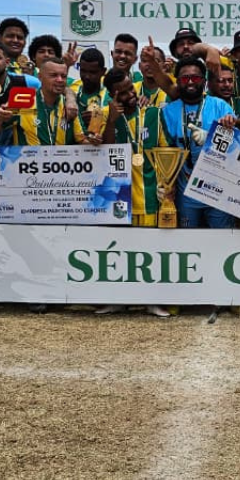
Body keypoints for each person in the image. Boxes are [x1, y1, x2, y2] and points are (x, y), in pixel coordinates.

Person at [97, 67, 170, 316]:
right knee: (119, 250)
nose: (130, 93)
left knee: (149, 251)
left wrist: (164, 187)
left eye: (130, 88)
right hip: (116, 196)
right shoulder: (104, 115)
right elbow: (101, 152)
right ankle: (119, 300)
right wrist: (111, 122)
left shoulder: (152, 113)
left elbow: (164, 153)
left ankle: (151, 301)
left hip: (149, 193)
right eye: (122, 92)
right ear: (111, 95)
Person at [160, 57, 239, 231]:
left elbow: (237, 150)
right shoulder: (167, 112)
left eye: (195, 78)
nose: (189, 82)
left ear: (204, 81)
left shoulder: (221, 106)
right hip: (186, 192)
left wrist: (215, 135)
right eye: (184, 78)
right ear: (178, 81)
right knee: (187, 242)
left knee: (223, 241)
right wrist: (166, 185)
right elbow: (165, 153)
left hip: (219, 190)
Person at [0, 57, 88, 146]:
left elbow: (82, 139)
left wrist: (94, 140)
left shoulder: (69, 105)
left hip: (61, 163)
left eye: (63, 76)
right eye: (53, 75)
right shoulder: (22, 99)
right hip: (27, 163)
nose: (60, 80)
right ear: (40, 77)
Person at [0, 39, 40, 145]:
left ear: (7, 62)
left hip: (26, 152)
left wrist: (70, 98)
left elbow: (56, 91)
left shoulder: (28, 82)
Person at [72, 47, 111, 133]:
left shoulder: (110, 96)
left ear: (103, 71)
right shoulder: (72, 87)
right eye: (83, 71)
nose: (87, 76)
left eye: (92, 72)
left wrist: (100, 118)